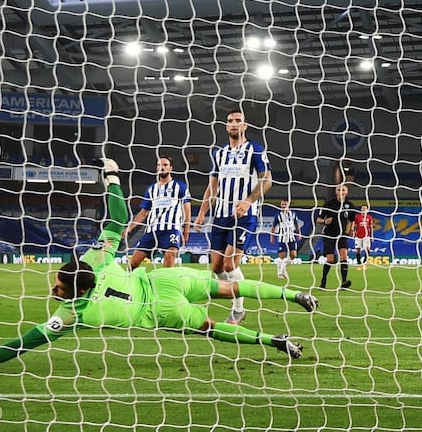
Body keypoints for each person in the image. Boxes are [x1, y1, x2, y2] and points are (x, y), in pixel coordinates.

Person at [0, 159, 317, 372]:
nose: (54, 289)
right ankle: (292, 293)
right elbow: (118, 220)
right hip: (165, 279)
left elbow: (27, 342)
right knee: (229, 287)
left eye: (58, 288)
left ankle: (274, 341)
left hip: (162, 311)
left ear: (75, 292)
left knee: (212, 328)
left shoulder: (74, 314)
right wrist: (113, 178)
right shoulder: (95, 262)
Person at [193, 108, 272, 325]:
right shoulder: (219, 153)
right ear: (226, 126)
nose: (234, 124)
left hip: (245, 215)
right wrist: (201, 213)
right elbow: (213, 186)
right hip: (220, 215)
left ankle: (238, 309)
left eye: (239, 121)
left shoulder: (255, 149)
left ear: (245, 126)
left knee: (229, 264)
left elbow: (267, 180)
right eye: (230, 121)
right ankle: (234, 293)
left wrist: (248, 201)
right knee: (216, 267)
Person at [123, 156, 191, 270]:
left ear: (170, 168)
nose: (162, 167)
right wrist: (129, 228)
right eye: (159, 165)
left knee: (170, 256)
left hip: (171, 229)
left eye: (165, 165)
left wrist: (186, 231)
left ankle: (165, 284)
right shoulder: (151, 189)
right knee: (133, 263)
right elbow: (143, 212)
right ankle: (127, 285)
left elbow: (187, 210)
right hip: (152, 231)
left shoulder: (180, 186)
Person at [316, 183, 356, 289]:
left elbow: (352, 220)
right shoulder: (329, 204)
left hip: (342, 234)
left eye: (343, 190)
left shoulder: (349, 205)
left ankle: (344, 282)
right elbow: (318, 219)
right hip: (329, 235)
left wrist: (351, 230)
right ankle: (323, 281)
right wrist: (325, 221)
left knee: (344, 257)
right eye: (339, 190)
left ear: (346, 192)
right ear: (336, 192)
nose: (341, 192)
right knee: (330, 259)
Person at [269, 200, 302, 279]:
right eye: (282, 204)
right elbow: (273, 227)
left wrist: (299, 233)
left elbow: (296, 225)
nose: (284, 205)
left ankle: (283, 268)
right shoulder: (278, 215)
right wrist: (272, 237)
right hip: (282, 238)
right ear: (280, 205)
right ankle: (279, 273)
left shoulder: (293, 214)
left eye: (285, 204)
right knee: (282, 256)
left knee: (293, 255)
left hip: (291, 237)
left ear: (288, 204)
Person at [353, 204, 374, 270]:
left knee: (367, 249)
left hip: (366, 236)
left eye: (365, 208)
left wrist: (372, 236)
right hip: (358, 236)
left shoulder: (369, 217)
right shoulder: (357, 217)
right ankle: (359, 264)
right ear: (361, 209)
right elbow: (354, 225)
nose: (363, 209)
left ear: (367, 210)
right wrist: (353, 231)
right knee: (358, 250)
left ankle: (364, 263)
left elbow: (371, 227)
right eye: (362, 208)